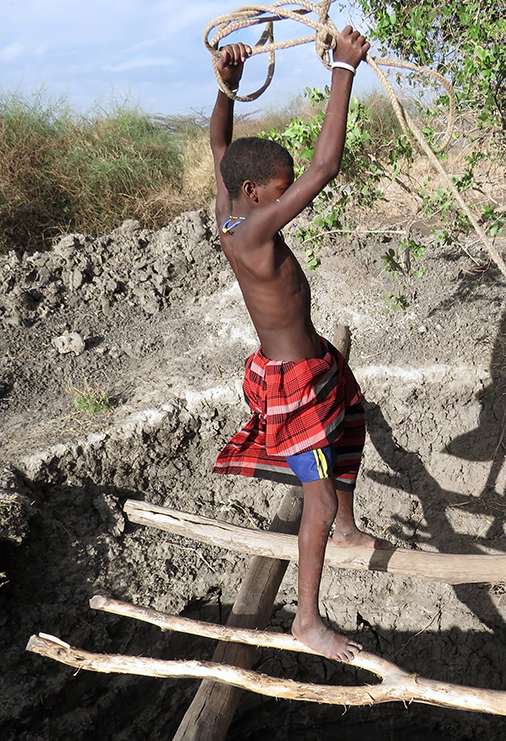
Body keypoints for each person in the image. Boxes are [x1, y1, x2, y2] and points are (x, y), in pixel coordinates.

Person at [208, 29, 390, 663]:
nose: (292, 196)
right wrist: (344, 68)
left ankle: (346, 522)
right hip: (292, 385)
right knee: (312, 493)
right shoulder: (254, 230)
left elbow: (221, 146)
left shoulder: (232, 205)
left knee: (355, 416)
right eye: (280, 189)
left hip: (314, 368)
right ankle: (306, 620)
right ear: (258, 195)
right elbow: (325, 166)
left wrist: (227, 87)